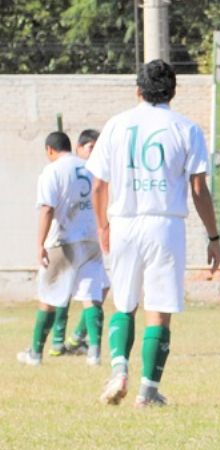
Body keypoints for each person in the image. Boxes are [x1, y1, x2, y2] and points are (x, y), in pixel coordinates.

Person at [86, 59, 220, 407]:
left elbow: (98, 185)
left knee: (124, 303)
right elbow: (198, 189)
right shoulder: (187, 129)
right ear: (173, 92)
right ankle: (147, 392)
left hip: (123, 222)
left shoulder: (116, 125)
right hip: (165, 224)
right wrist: (213, 236)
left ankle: (119, 370)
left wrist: (103, 226)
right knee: (159, 308)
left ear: (138, 90)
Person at [16, 131, 108, 367]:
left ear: (50, 150)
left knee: (48, 297)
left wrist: (40, 244)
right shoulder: (90, 167)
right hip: (90, 239)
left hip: (63, 239)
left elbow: (47, 209)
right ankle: (94, 353)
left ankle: (35, 353)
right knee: (91, 296)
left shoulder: (52, 171)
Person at [44, 129, 107, 358]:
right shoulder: (69, 170)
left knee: (100, 288)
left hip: (89, 239)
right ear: (78, 148)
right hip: (69, 239)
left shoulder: (95, 172)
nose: (94, 152)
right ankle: (60, 342)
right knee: (67, 290)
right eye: (90, 148)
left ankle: (76, 337)